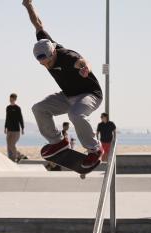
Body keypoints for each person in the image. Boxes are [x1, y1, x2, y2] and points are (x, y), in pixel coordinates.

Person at [23, 0, 103, 169]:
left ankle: (95, 149)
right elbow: (37, 24)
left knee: (75, 115)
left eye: (47, 61)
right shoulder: (45, 43)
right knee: (39, 108)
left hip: (90, 94)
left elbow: (83, 61)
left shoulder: (67, 56)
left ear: (53, 53)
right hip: (68, 95)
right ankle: (58, 142)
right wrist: (28, 5)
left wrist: (85, 69)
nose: (45, 65)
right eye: (41, 62)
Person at [4, 93, 26, 161]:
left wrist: (22, 128)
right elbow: (7, 118)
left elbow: (20, 118)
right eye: (10, 98)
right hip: (9, 130)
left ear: (15, 99)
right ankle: (11, 158)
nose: (10, 100)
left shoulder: (17, 108)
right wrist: (5, 127)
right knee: (8, 145)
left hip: (16, 130)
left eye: (12, 98)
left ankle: (17, 156)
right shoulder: (8, 108)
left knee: (12, 145)